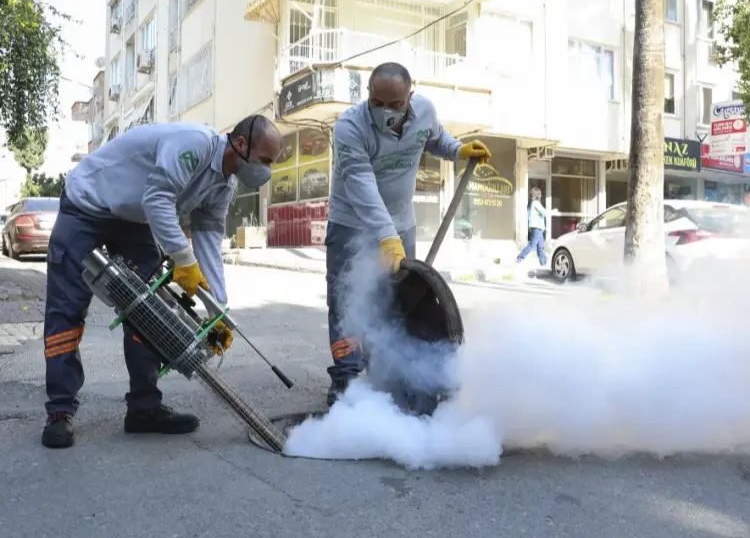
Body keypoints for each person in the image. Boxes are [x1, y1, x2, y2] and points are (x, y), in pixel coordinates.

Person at [40, 115, 283, 449]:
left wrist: (218, 311)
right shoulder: (194, 144)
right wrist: (183, 259)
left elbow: (209, 240)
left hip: (135, 219)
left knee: (151, 311)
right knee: (67, 309)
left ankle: (144, 407)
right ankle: (60, 410)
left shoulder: (224, 186)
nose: (266, 170)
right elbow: (157, 198)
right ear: (241, 144)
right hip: (88, 204)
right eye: (266, 160)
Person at [324, 61, 491, 406]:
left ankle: (389, 373)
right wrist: (386, 236)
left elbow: (435, 139)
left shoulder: (425, 111)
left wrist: (457, 150)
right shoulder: (349, 127)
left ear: (410, 97)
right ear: (368, 94)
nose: (386, 111)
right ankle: (346, 379)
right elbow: (361, 184)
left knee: (398, 300)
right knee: (345, 303)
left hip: (401, 223)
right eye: (378, 103)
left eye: (396, 104)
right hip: (352, 224)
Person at [516, 187, 549, 266]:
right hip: (537, 227)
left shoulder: (531, 203)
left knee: (540, 246)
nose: (540, 195)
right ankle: (520, 257)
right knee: (532, 244)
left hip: (537, 227)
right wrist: (552, 211)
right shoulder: (535, 203)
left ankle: (543, 262)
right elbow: (544, 212)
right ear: (537, 195)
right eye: (539, 194)